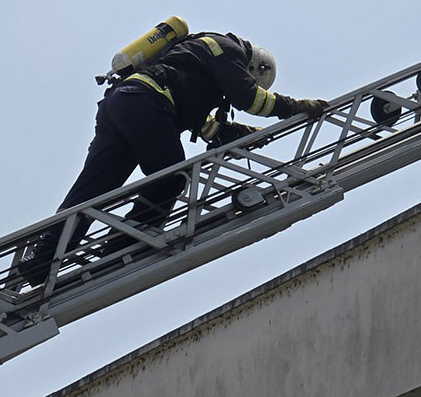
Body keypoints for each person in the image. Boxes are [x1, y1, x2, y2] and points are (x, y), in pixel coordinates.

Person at [18, 32, 328, 286]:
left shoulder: (196, 57)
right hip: (145, 102)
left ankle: (43, 259)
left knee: (93, 190)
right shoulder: (228, 49)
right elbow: (249, 98)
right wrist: (295, 106)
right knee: (171, 176)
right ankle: (121, 246)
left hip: (122, 102)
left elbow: (194, 116)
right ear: (255, 68)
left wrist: (233, 131)